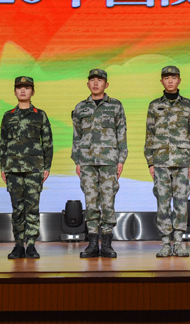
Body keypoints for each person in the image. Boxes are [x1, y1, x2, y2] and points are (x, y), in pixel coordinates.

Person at [71, 69, 127, 258]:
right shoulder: (80, 108)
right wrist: (77, 161)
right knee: (91, 202)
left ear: (106, 84)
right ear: (88, 84)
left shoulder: (116, 106)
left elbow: (121, 133)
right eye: (92, 80)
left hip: (109, 161)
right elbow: (76, 136)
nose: (95, 83)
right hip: (87, 161)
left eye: (100, 80)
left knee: (108, 202)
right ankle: (93, 244)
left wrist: (121, 159)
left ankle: (108, 244)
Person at [144, 66, 190, 258]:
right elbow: (149, 134)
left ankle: (179, 243)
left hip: (182, 161)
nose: (170, 81)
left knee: (181, 202)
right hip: (160, 161)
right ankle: (166, 243)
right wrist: (150, 162)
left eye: (173, 77)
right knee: (163, 201)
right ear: (161, 81)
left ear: (179, 80)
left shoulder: (188, 105)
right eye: (166, 77)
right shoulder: (154, 106)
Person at [0, 76, 53, 260]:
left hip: (34, 169)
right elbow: (3, 143)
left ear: (33, 91)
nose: (23, 90)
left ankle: (30, 245)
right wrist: (3, 167)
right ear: (15, 91)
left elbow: (47, 142)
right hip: (13, 169)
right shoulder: (8, 116)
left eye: (27, 87)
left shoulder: (40, 115)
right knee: (17, 209)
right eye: (19, 87)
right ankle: (18, 245)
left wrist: (47, 166)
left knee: (32, 208)